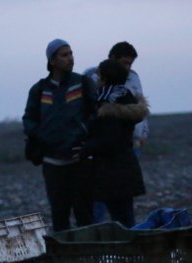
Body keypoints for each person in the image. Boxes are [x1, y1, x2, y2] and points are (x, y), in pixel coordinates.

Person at [23, 38, 98, 232]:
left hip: (80, 161)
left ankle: (89, 258)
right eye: (64, 55)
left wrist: (84, 137)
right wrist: (42, 137)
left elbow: (96, 115)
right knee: (59, 217)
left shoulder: (83, 83)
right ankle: (64, 259)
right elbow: (29, 119)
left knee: (85, 217)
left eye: (71, 53)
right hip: (52, 164)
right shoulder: (39, 89)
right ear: (52, 61)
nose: (70, 58)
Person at [84, 41, 149, 223]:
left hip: (125, 147)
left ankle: (121, 245)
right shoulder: (92, 76)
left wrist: (143, 133)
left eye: (130, 63)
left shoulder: (133, 78)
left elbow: (137, 107)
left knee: (122, 208)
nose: (128, 68)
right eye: (124, 63)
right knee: (100, 207)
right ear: (112, 58)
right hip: (101, 154)